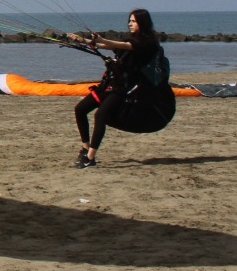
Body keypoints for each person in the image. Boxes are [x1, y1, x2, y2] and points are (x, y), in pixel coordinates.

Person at [66, 9, 168, 168]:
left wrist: (100, 39)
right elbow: (107, 46)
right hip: (110, 84)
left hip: (124, 88)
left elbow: (122, 45)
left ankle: (91, 158)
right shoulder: (132, 39)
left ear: (143, 22)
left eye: (133, 21)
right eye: (130, 20)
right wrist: (82, 40)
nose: (130, 23)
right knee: (80, 109)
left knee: (101, 116)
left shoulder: (148, 43)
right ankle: (85, 149)